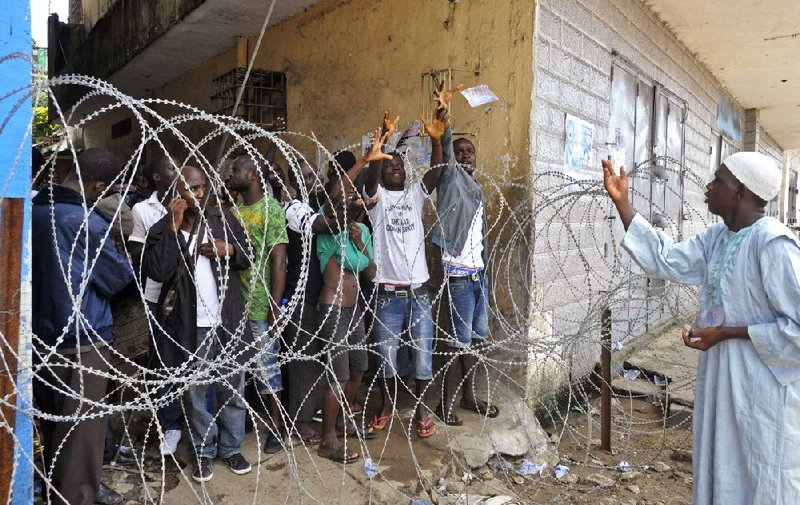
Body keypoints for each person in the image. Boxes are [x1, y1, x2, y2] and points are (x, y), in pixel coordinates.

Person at [602, 152, 800, 504]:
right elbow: (666, 258)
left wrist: (728, 333)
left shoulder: (773, 244)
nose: (709, 186)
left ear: (740, 191)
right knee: (723, 463)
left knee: (761, 475)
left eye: (718, 181)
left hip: (763, 386)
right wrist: (623, 204)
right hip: (723, 378)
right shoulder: (717, 239)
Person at [32, 148, 134, 505]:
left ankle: (52, 487)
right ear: (96, 185)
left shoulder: (31, 211)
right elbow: (117, 277)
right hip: (82, 340)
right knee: (80, 436)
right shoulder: (83, 220)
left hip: (39, 339)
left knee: (54, 427)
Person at [144, 165, 254, 483]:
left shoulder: (222, 220)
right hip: (191, 327)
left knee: (232, 389)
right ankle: (203, 452)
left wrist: (229, 249)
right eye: (190, 189)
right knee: (196, 394)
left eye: (202, 187)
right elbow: (158, 272)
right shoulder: (162, 229)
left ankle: (231, 448)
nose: (198, 195)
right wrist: (172, 225)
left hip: (228, 321)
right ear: (175, 193)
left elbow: (249, 255)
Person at [361, 109, 446, 439]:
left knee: (423, 354)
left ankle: (422, 408)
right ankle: (386, 405)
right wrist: (379, 148)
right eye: (390, 167)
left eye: (399, 166)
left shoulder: (413, 195)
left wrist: (437, 142)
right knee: (386, 356)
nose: (395, 170)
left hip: (418, 292)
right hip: (387, 295)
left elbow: (435, 176)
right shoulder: (377, 198)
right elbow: (370, 179)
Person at [432, 86, 499, 425]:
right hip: (458, 277)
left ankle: (469, 396)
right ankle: (445, 404)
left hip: (477, 275)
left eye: (470, 150)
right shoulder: (450, 179)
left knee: (474, 342)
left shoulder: (476, 187)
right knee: (458, 345)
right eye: (460, 151)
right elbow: (444, 155)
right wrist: (444, 118)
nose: (466, 155)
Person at [226, 153, 289, 454]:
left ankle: (278, 425)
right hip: (237, 303)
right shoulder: (237, 210)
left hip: (262, 302)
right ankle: (249, 417)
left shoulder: (270, 208)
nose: (231, 174)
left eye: (236, 170)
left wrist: (275, 305)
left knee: (268, 367)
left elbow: (279, 259)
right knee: (244, 365)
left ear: (252, 176)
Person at [127, 156, 183, 455]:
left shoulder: (191, 201)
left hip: (189, 296)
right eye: (171, 167)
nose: (177, 170)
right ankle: (170, 424)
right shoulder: (142, 209)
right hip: (157, 297)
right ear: (157, 178)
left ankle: (197, 421)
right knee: (163, 362)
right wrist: (165, 228)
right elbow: (137, 251)